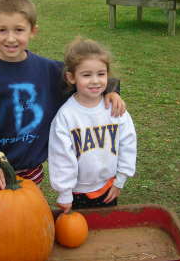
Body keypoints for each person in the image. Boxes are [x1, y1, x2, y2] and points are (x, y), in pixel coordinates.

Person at [0, 0, 126, 212]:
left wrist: (110, 90)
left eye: (19, 30)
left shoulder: (47, 71)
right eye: (2, 30)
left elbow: (83, 78)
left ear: (33, 31)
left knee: (20, 214)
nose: (11, 38)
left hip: (30, 167)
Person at [48, 37, 137, 213]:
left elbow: (128, 143)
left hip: (108, 186)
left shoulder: (115, 109)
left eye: (101, 74)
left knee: (104, 234)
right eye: (86, 75)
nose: (95, 81)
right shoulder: (66, 116)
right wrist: (65, 193)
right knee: (76, 234)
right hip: (77, 192)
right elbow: (60, 156)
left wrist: (120, 180)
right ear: (71, 77)